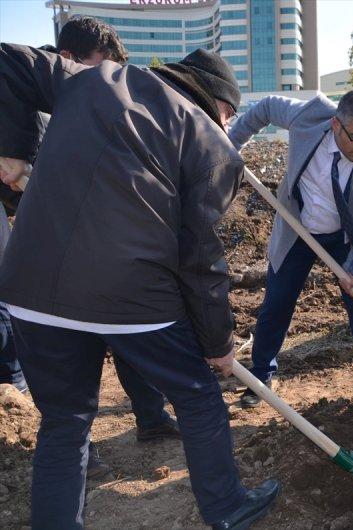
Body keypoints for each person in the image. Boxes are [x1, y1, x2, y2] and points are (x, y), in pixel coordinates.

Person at [0, 44, 279, 529]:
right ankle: (228, 506)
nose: (230, 125)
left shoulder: (90, 79)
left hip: (31, 289)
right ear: (219, 104)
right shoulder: (214, 146)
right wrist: (217, 345)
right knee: (197, 396)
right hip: (129, 296)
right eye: (231, 115)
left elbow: (7, 58)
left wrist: (14, 149)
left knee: (64, 422)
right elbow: (201, 259)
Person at [1, 18, 181, 483]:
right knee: (61, 344)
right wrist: (15, 153)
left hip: (81, 232)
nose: (113, 85)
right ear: (77, 59)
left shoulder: (79, 93)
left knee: (121, 318)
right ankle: (80, 447)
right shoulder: (40, 80)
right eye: (108, 70)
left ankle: (151, 416)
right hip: (39, 240)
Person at [228, 90, 353, 410]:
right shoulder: (309, 115)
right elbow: (264, 107)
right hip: (298, 229)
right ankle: (260, 377)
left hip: (347, 238)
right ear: (336, 124)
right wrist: (232, 143)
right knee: (276, 303)